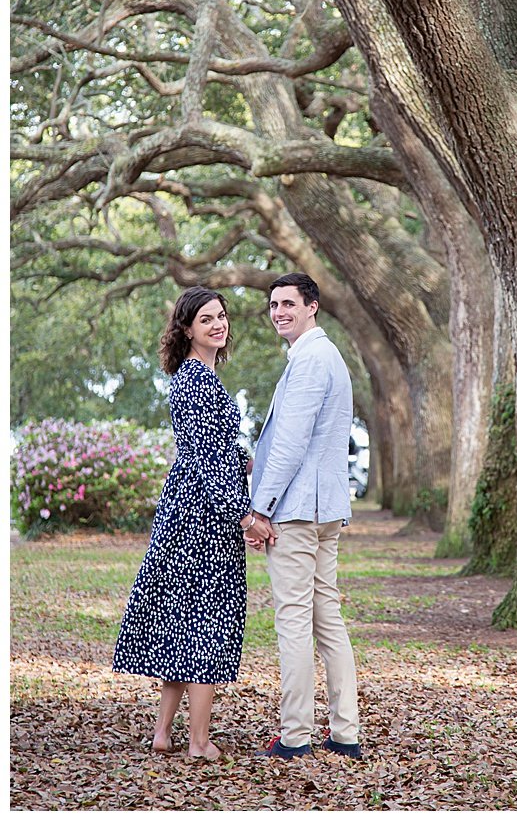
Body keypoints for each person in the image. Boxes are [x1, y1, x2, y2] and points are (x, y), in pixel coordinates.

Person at [113, 286, 274, 760]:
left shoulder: (199, 376)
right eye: (206, 319)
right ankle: (198, 742)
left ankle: (164, 734)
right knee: (209, 627)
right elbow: (205, 462)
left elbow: (217, 449)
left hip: (189, 508)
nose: (218, 324)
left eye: (221, 316)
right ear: (186, 329)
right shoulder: (194, 379)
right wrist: (242, 513)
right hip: (201, 515)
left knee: (187, 626)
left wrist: (247, 461)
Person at [248, 273, 362, 759]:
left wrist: (258, 508)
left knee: (293, 621)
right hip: (324, 509)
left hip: (298, 513)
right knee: (327, 620)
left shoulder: (312, 360)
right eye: (273, 305)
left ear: (312, 306)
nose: (279, 312)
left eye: (289, 304)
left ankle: (295, 737)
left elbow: (293, 445)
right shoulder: (324, 356)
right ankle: (344, 733)